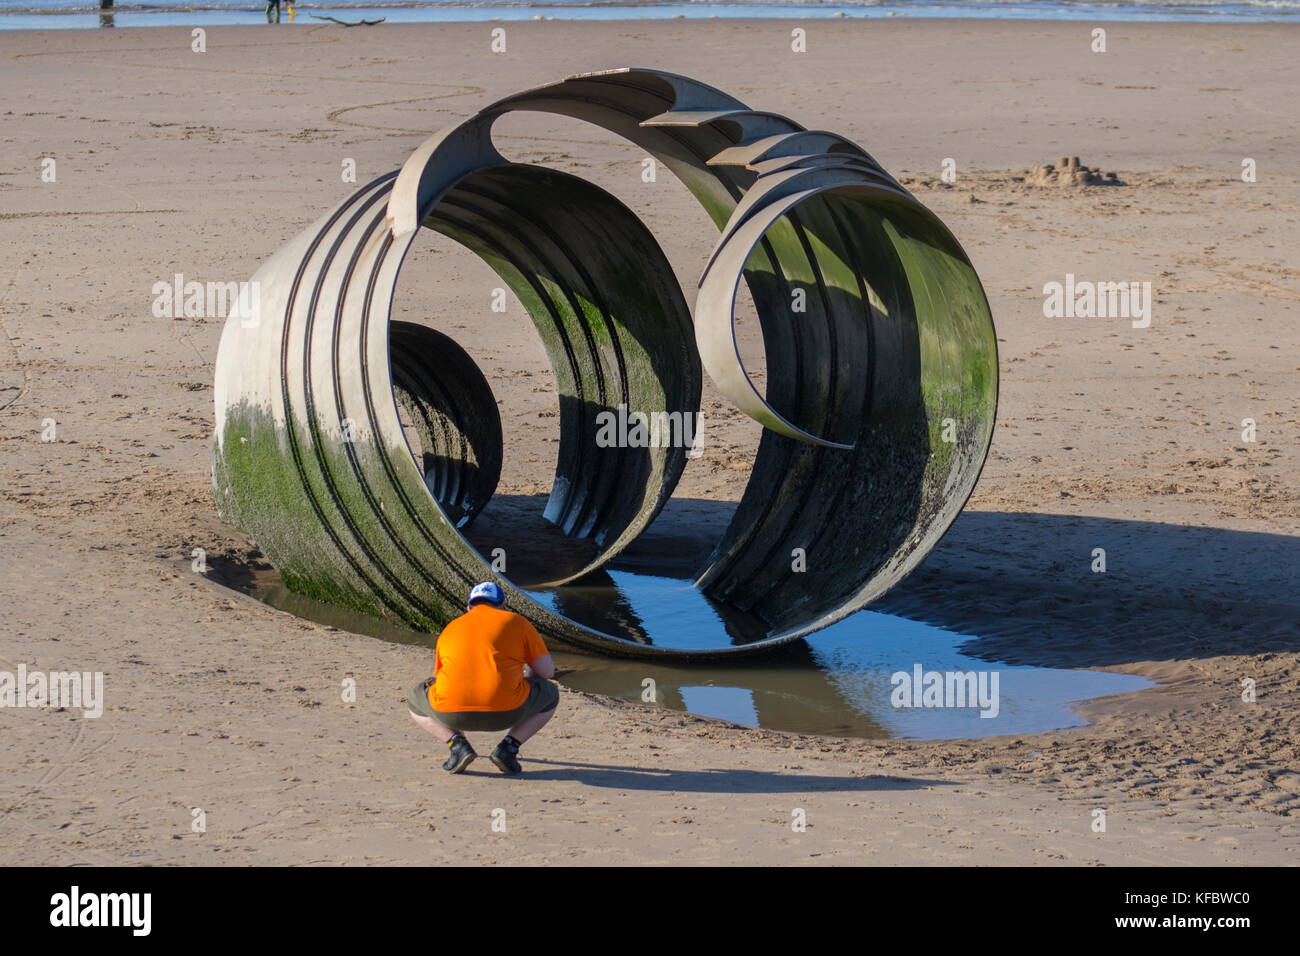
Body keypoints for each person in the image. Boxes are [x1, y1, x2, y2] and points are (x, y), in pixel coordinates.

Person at [408, 582, 558, 775]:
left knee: (415, 697)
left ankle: (457, 744)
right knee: (550, 693)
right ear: (503, 604)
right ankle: (508, 748)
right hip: (506, 713)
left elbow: (439, 676)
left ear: (468, 607)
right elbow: (547, 672)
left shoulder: (451, 627)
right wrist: (527, 676)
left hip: (452, 714)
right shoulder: (517, 622)